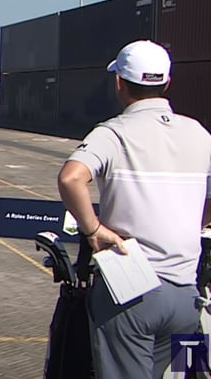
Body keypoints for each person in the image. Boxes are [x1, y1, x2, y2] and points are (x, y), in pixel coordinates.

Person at [57, 40, 211, 378]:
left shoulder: (113, 133)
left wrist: (94, 231)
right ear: (167, 83)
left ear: (119, 83)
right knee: (188, 373)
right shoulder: (199, 134)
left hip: (131, 290)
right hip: (187, 294)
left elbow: (71, 178)